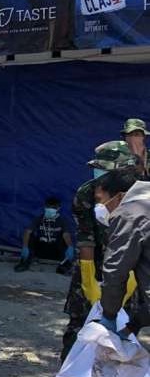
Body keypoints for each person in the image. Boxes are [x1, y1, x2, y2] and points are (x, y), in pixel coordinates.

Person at [61, 140, 138, 361]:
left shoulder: (141, 194)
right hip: (93, 263)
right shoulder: (86, 194)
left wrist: (127, 284)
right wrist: (89, 283)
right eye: (98, 169)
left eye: (103, 169)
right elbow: (86, 239)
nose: (98, 175)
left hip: (128, 266)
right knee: (80, 321)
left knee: (125, 324)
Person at [96, 170, 149, 336]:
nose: (102, 207)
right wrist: (132, 327)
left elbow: (115, 271)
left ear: (119, 197)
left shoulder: (130, 215)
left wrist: (109, 315)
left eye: (101, 201)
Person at [14, 197, 74, 274]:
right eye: (49, 207)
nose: (50, 209)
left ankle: (64, 266)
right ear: (45, 207)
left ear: (58, 209)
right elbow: (27, 232)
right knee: (30, 235)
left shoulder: (62, 220)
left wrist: (70, 247)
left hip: (55, 251)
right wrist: (25, 247)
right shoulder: (39, 218)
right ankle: (25, 262)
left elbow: (66, 235)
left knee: (63, 239)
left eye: (53, 208)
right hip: (41, 249)